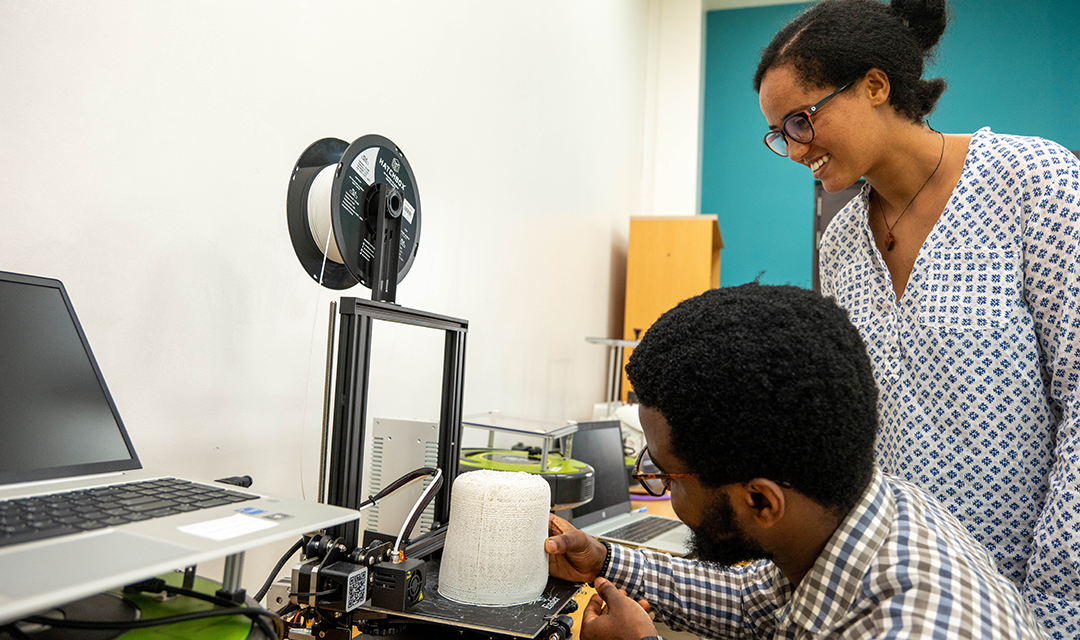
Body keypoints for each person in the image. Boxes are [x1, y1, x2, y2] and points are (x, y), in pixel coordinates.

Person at [752, 0, 1080, 633]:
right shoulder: (842, 240)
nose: (794, 150)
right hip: (905, 595)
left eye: (800, 121)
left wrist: (1058, 604)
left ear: (875, 85)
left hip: (1030, 598)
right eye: (780, 134)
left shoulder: (1034, 182)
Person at [546, 284, 1042, 640]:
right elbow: (746, 602)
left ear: (761, 499)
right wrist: (604, 560)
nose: (662, 488)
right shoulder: (858, 516)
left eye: (666, 475)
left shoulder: (909, 625)